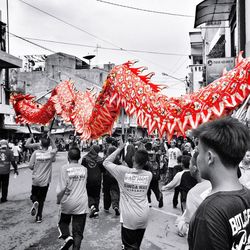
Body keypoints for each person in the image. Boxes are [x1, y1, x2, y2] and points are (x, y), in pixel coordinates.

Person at [188, 117, 250, 250]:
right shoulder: (246, 195)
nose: (197, 158)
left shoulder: (209, 213)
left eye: (198, 152)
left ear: (209, 157)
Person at [103, 142, 152, 250]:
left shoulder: (123, 171)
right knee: (136, 246)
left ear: (133, 159)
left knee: (129, 247)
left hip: (129, 218)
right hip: (144, 215)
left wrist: (119, 148)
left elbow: (106, 162)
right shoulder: (149, 175)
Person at [57, 147, 88, 250]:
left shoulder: (64, 168)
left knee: (63, 223)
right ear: (79, 158)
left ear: (68, 157)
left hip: (67, 202)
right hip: (81, 203)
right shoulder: (84, 169)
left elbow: (61, 189)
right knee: (78, 232)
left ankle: (67, 237)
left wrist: (58, 199)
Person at [176, 151, 211, 237]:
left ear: (195, 168)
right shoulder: (216, 184)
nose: (189, 166)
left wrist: (181, 223)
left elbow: (189, 225)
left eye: (190, 164)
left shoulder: (193, 193)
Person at [28, 135, 57, 223]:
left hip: (36, 179)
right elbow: (55, 148)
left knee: (33, 195)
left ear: (40, 144)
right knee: (42, 199)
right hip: (45, 181)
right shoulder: (50, 154)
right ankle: (39, 217)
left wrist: (34, 167)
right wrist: (51, 139)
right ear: (48, 146)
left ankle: (35, 201)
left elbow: (30, 166)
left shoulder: (36, 153)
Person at [81, 145, 103, 218]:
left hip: (88, 180)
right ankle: (96, 211)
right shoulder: (100, 160)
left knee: (89, 194)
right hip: (97, 180)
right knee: (96, 195)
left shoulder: (85, 158)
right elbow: (103, 170)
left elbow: (82, 169)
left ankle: (92, 206)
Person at [103, 146, 120, 215]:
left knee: (106, 193)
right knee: (115, 191)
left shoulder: (105, 159)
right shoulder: (117, 159)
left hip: (106, 178)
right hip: (115, 177)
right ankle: (115, 206)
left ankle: (106, 207)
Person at [144, 142, 163, 208]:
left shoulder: (145, 154)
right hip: (155, 174)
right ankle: (159, 198)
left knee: (148, 189)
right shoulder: (155, 154)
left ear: (146, 147)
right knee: (156, 189)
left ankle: (149, 202)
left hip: (147, 175)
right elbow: (159, 163)